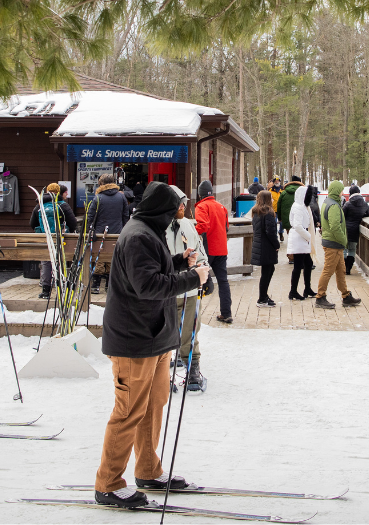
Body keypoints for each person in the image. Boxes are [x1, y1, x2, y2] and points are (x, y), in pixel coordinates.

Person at [93, 182, 209, 508]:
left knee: (154, 403)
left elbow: (151, 268)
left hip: (154, 336)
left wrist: (178, 261)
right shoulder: (138, 235)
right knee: (128, 412)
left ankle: (148, 470)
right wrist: (193, 278)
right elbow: (146, 285)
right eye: (174, 210)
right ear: (162, 210)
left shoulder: (149, 230)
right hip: (134, 339)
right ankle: (109, 484)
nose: (177, 215)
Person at [165, 186, 210, 390]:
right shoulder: (156, 227)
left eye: (184, 202)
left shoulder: (187, 225)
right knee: (163, 332)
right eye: (179, 203)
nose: (183, 206)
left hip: (189, 289)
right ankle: (162, 373)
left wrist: (203, 269)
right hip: (164, 290)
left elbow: (199, 251)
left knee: (190, 329)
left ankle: (192, 367)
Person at [314, 180, 361, 309]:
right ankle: (320, 296)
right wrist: (343, 240)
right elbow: (335, 226)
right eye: (341, 190)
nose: (343, 193)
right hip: (333, 243)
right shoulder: (333, 205)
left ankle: (346, 296)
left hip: (334, 243)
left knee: (341, 270)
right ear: (336, 191)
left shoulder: (327, 202)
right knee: (328, 270)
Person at [194, 180, 232, 324]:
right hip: (221, 249)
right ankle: (226, 313)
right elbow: (226, 227)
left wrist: (192, 231)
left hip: (207, 248)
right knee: (223, 281)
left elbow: (203, 226)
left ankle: (195, 314)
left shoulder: (201, 207)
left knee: (199, 280)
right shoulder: (222, 207)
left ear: (200, 194)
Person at [30, 183, 77, 299]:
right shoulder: (63, 205)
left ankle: (46, 291)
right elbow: (73, 222)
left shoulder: (40, 205)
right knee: (60, 261)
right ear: (58, 192)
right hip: (61, 238)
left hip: (45, 239)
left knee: (46, 262)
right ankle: (61, 288)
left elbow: (32, 224)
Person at [85, 174, 130, 293]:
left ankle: (96, 285)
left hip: (100, 232)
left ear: (101, 184)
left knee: (98, 258)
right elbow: (125, 216)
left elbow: (91, 216)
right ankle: (110, 286)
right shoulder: (121, 198)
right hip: (117, 233)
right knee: (113, 258)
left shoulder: (98, 198)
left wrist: (91, 229)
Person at [250, 190, 280, 307]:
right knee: (267, 272)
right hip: (266, 247)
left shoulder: (256, 212)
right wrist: (276, 245)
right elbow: (270, 232)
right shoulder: (268, 213)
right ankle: (262, 298)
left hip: (259, 245)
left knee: (268, 271)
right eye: (271, 198)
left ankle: (263, 296)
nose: (272, 200)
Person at [287, 185, 316, 300]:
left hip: (302, 238)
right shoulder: (298, 207)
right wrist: (308, 236)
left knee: (307, 264)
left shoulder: (300, 205)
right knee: (298, 266)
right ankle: (293, 291)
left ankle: (307, 288)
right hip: (300, 238)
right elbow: (297, 225)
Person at [342, 185, 369, 275]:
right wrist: (361, 216)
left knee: (344, 249)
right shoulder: (364, 204)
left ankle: (343, 267)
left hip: (346, 229)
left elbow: (342, 215)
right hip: (355, 229)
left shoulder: (348, 203)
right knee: (352, 250)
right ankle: (348, 268)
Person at [276, 176, 303, 263]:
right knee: (301, 238)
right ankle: (300, 257)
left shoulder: (284, 193)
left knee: (291, 238)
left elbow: (278, 206)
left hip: (288, 220)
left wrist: (280, 218)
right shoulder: (303, 192)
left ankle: (291, 257)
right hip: (301, 220)